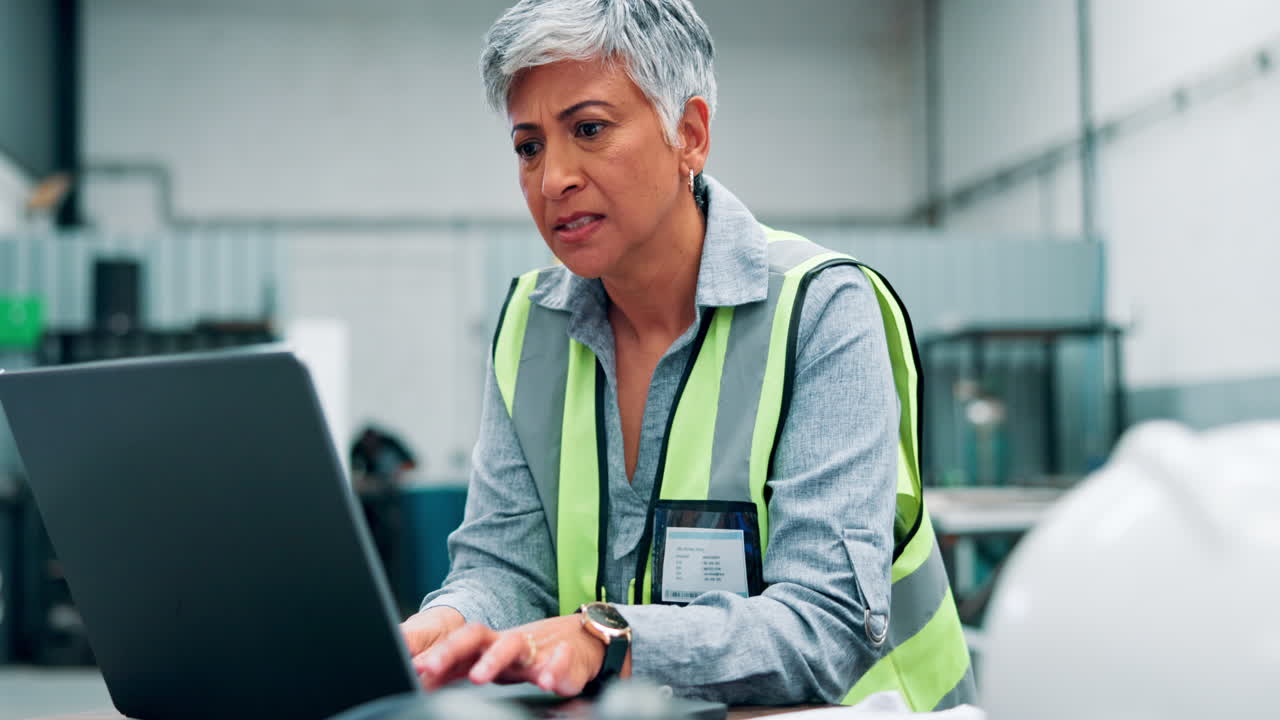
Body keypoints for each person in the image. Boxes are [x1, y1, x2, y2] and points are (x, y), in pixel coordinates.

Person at [400, 0, 974, 708]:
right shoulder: (530, 326)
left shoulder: (821, 311)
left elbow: (826, 626)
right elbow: (505, 568)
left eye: (588, 129)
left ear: (690, 136)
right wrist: (447, 626)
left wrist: (607, 639)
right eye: (529, 146)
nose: (553, 179)